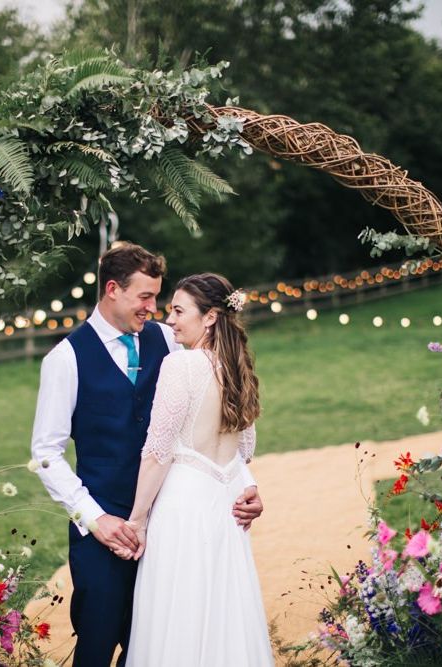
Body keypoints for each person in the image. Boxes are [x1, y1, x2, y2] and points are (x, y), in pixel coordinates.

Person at [31, 245, 264, 667]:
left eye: (158, 298)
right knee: (97, 642)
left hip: (169, 525)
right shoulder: (65, 359)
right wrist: (94, 518)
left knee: (162, 641)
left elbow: (209, 419)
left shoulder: (170, 341)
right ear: (113, 289)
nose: (153, 309)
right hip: (106, 528)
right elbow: (46, 453)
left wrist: (245, 485)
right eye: (145, 298)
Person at [116, 273, 274, 666]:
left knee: (177, 613)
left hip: (183, 510)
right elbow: (245, 450)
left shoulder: (181, 365)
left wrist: (136, 522)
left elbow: (157, 452)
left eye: (178, 311)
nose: (170, 320)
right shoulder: (239, 369)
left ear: (210, 317)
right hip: (224, 509)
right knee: (223, 614)